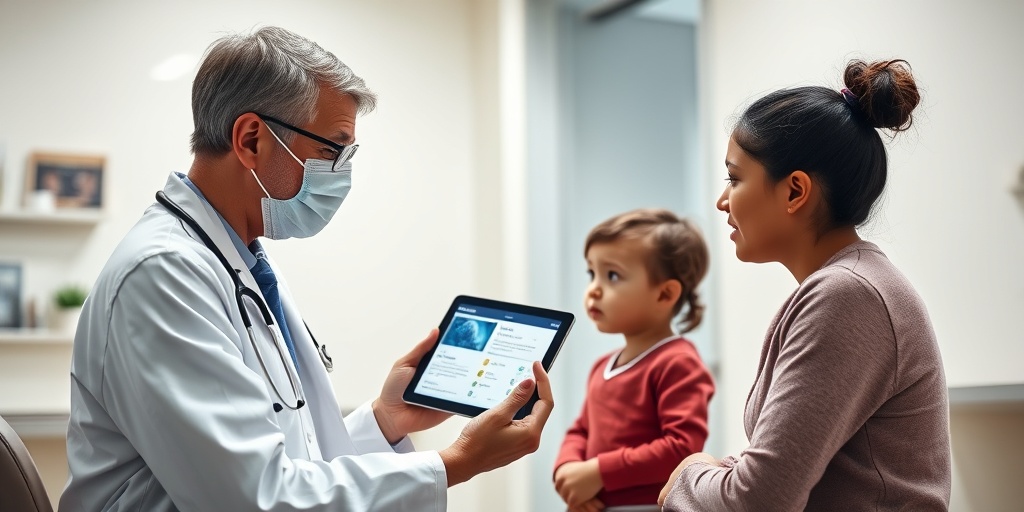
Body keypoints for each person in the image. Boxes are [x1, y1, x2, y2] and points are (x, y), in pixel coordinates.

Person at [60, 26, 553, 512]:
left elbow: (291, 461)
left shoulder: (237, 262)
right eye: (332, 150)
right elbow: (254, 499)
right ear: (251, 139)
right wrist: (457, 462)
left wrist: (386, 420)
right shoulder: (164, 275)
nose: (342, 175)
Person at [658, 59, 951, 511]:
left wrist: (689, 474)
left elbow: (760, 500)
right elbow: (783, 465)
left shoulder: (848, 297)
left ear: (795, 191)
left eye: (734, 179)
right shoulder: (850, 286)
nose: (722, 201)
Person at [553, 209, 715, 512]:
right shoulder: (602, 367)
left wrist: (599, 472)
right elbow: (580, 430)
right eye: (592, 273)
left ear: (665, 294)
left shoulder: (678, 362)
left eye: (612, 275)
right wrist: (567, 469)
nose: (594, 289)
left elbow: (681, 447)